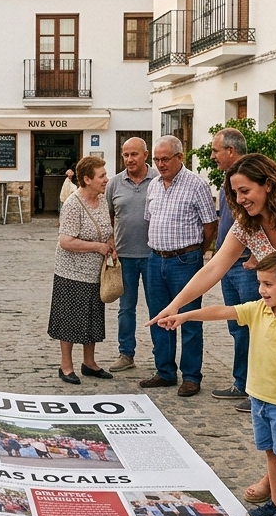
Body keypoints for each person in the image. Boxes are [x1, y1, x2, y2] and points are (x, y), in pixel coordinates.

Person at [152, 152, 276, 514]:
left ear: (268, 184)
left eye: (245, 191)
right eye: (234, 194)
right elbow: (214, 269)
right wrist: (175, 306)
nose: (240, 200)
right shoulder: (247, 225)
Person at [158, 251, 276, 516]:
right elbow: (220, 311)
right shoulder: (258, 310)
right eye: (260, 283)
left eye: (268, 284)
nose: (261, 290)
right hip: (259, 397)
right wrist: (183, 315)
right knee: (270, 452)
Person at [141, 136, 218, 396]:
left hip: (185, 260)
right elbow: (149, 220)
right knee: (160, 316)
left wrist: (198, 253)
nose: (160, 164)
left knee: (190, 318)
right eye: (157, 160)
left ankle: (191, 376)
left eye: (165, 159)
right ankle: (165, 372)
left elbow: (210, 225)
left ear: (180, 157)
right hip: (155, 259)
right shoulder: (153, 186)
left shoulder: (196, 185)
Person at [48, 156, 117, 385]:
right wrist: (97, 247)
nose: (106, 179)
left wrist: (110, 246)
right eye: (102, 176)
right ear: (87, 179)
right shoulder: (73, 204)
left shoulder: (101, 200)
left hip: (95, 272)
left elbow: (106, 229)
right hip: (71, 272)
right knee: (69, 319)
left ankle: (90, 363)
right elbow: (66, 240)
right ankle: (65, 366)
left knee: (92, 318)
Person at [208, 128, 255, 409]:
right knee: (237, 328)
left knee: (252, 327)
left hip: (247, 265)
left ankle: (255, 389)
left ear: (230, 151)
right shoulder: (229, 180)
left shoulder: (251, 179)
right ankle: (241, 383)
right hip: (229, 265)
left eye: (215, 151)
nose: (212, 156)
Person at [104, 137, 158, 373]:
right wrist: (110, 241)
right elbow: (108, 216)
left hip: (154, 256)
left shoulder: (159, 180)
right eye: (125, 155)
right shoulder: (114, 183)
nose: (129, 159)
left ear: (145, 155)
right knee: (126, 308)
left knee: (158, 308)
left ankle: (161, 357)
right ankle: (126, 354)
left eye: (134, 154)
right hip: (124, 256)